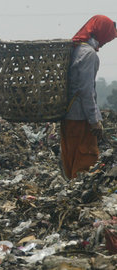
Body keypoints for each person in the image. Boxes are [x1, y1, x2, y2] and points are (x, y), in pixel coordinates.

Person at [61, 15, 117, 179]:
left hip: (69, 115)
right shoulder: (89, 54)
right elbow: (86, 91)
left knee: (71, 157)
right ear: (102, 33)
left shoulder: (76, 50)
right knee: (85, 159)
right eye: (109, 36)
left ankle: (71, 195)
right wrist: (94, 120)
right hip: (80, 117)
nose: (108, 41)